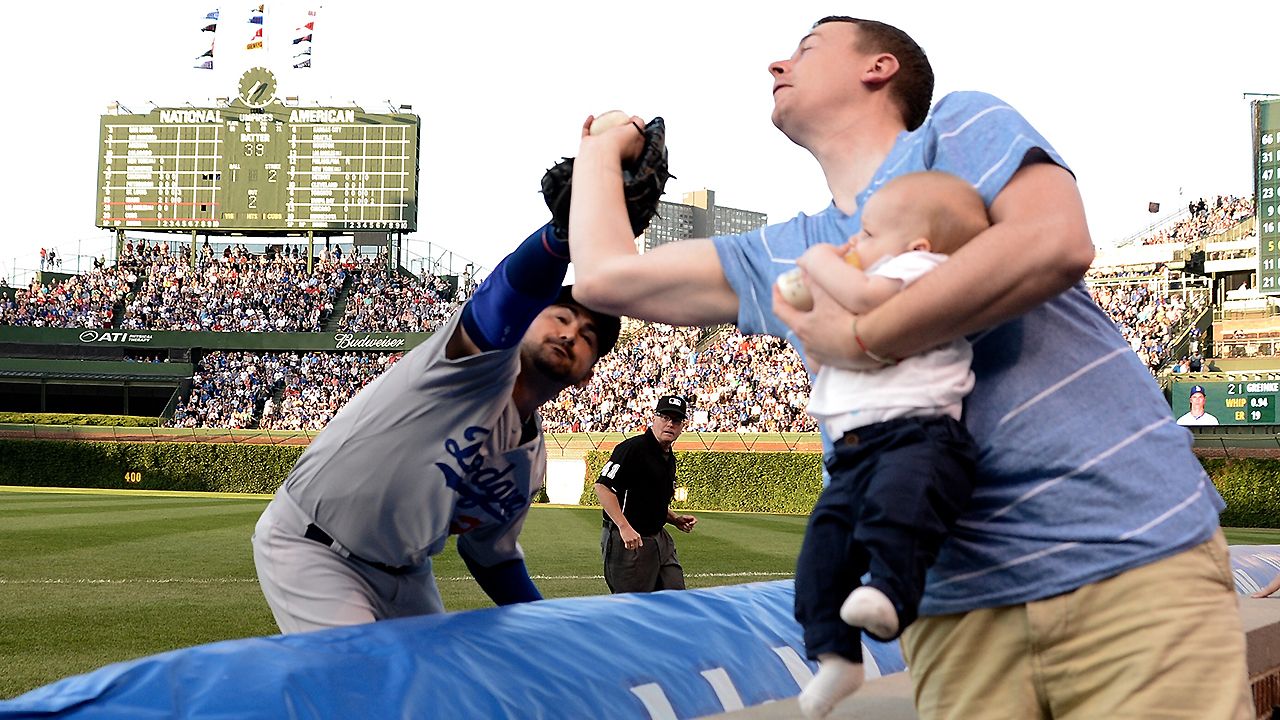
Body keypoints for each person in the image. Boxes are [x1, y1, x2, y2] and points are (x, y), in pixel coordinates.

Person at [566, 16, 1251, 720]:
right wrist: (603, 146)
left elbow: (1054, 241)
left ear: (880, 68)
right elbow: (606, 277)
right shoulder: (788, 250)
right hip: (952, 609)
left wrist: (862, 333)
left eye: (806, 47)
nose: (776, 64)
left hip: (1126, 556)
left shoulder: (955, 130)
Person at [251, 221, 621, 633]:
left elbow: (491, 555)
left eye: (587, 336)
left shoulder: (529, 465)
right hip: (314, 547)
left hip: (407, 573)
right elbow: (507, 295)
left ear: (588, 375)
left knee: (437, 689)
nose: (570, 334)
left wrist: (550, 622)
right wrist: (561, 235)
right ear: (528, 321)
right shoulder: (469, 368)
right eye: (562, 317)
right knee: (363, 683)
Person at [783, 171, 988, 718]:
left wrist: (821, 261)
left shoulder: (923, 270)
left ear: (916, 246)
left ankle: (893, 595)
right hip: (853, 450)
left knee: (898, 516)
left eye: (868, 234)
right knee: (821, 556)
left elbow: (862, 293)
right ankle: (836, 657)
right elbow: (827, 355)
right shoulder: (877, 281)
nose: (854, 243)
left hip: (917, 436)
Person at [594, 394, 698, 593]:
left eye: (676, 420)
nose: (670, 424)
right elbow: (603, 487)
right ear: (654, 418)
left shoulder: (668, 457)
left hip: (659, 539)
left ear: (682, 426)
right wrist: (624, 527)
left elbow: (649, 499)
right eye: (665, 418)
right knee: (633, 606)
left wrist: (674, 519)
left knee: (676, 598)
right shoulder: (632, 449)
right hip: (630, 540)